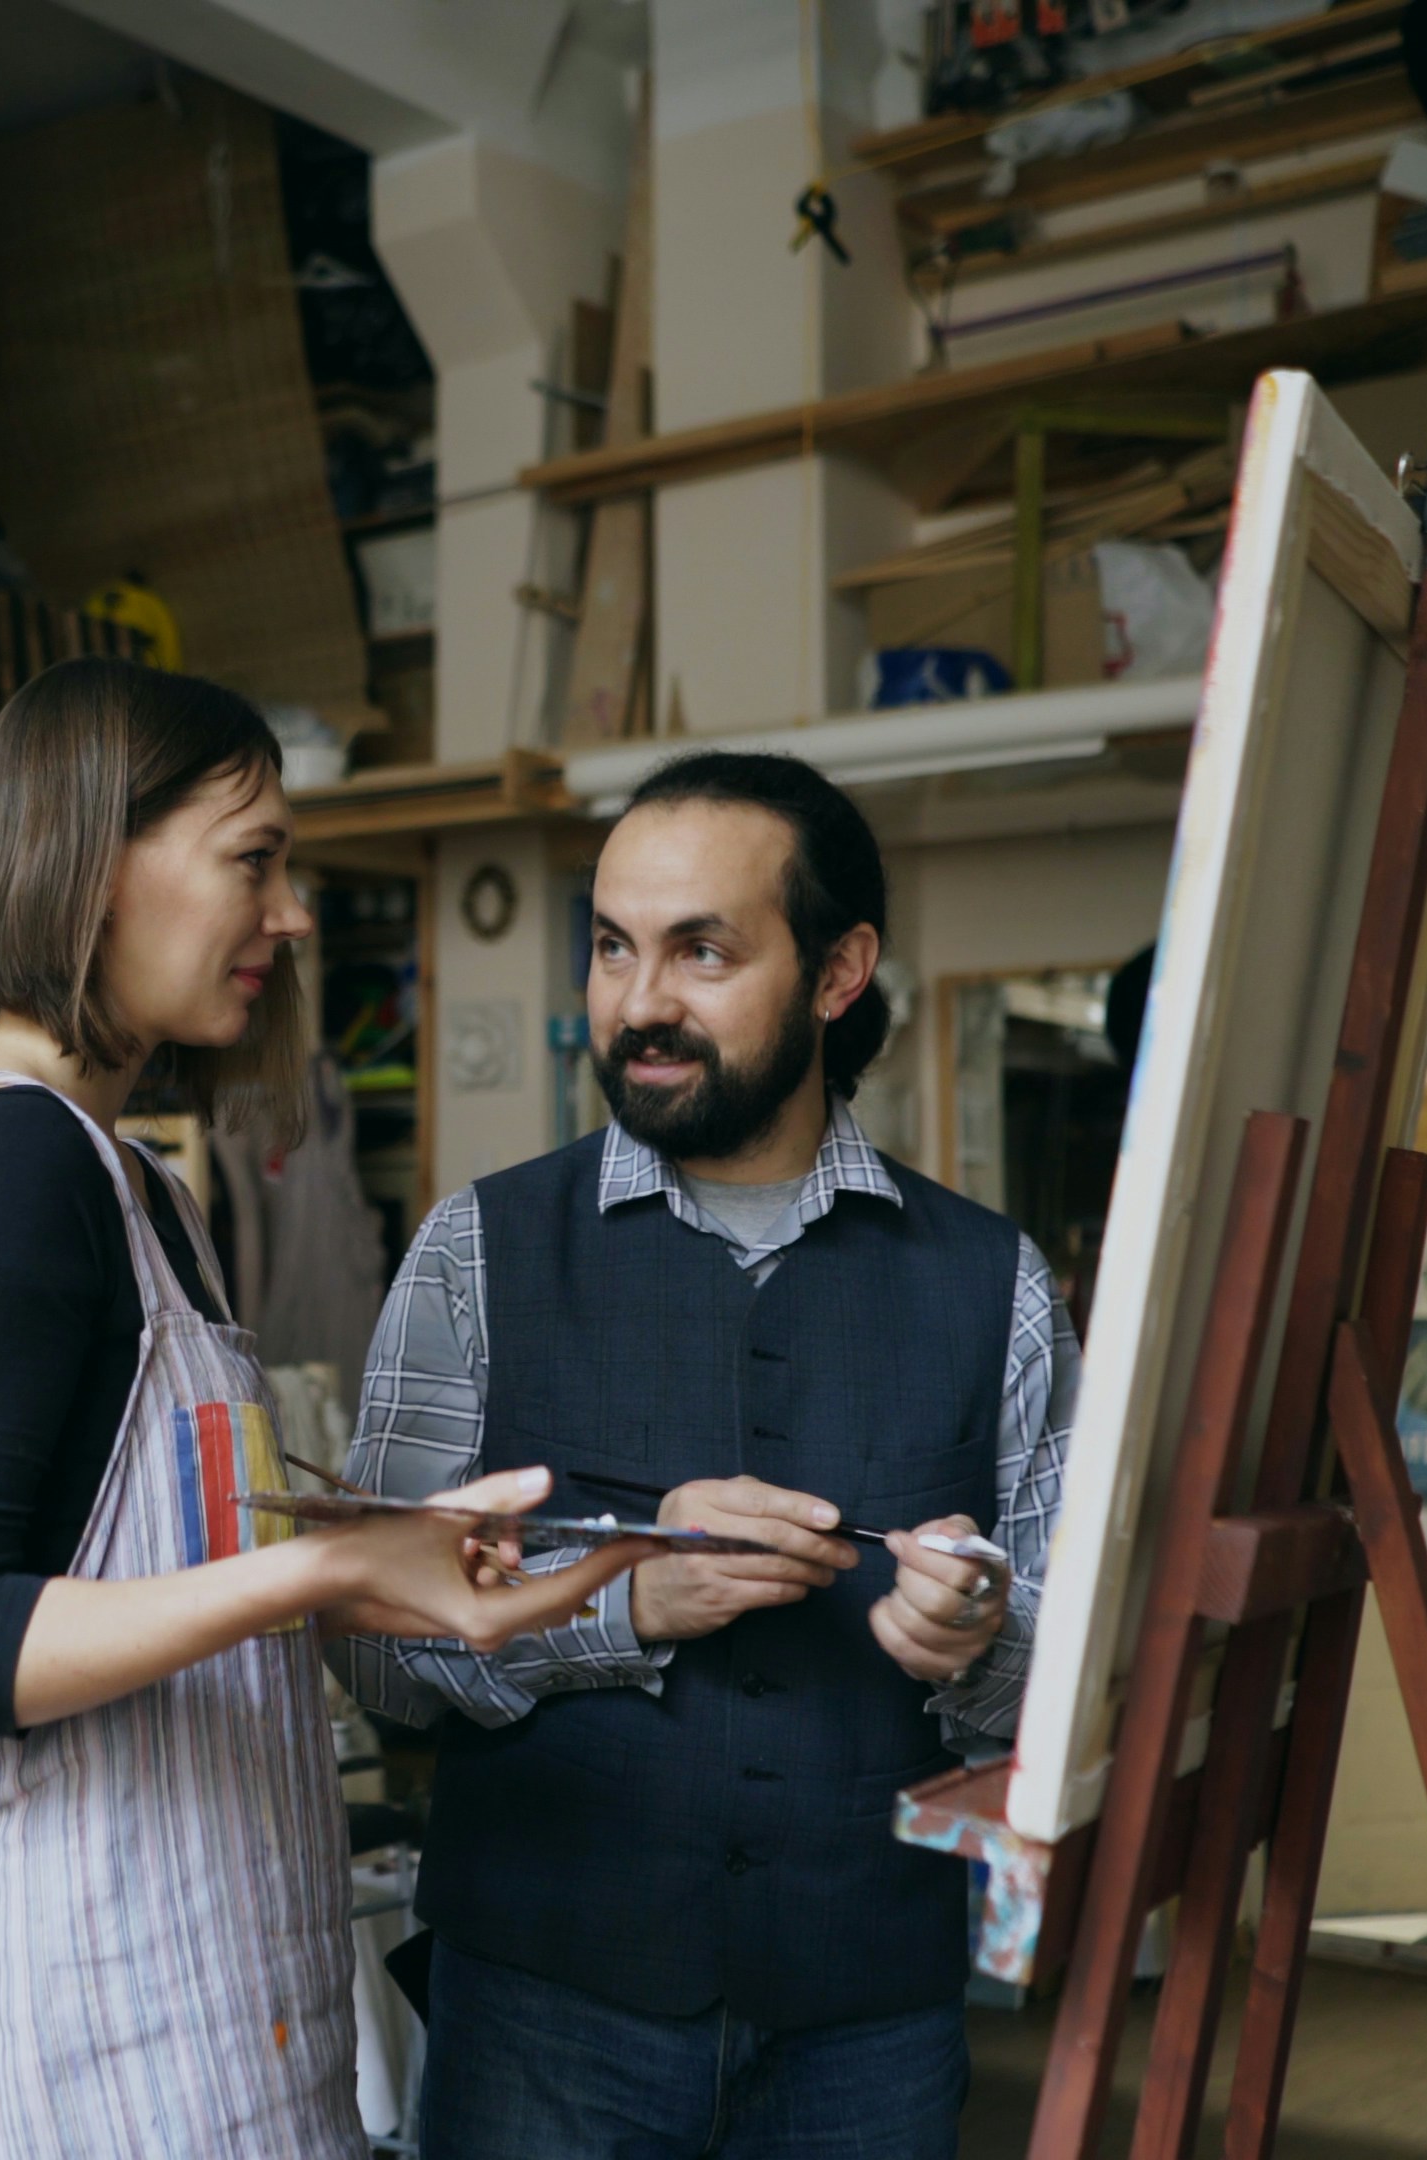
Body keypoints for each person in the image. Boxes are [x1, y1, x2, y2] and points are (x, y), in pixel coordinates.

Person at [0, 656, 651, 2156]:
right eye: (254, 860)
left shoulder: (138, 1190)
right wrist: (325, 1568)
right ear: (91, 863)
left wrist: (397, 1569)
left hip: (208, 2012)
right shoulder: (2, 1165)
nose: (293, 914)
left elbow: (138, 1564)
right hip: (85, 2041)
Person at [334, 750, 1080, 2160]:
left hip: (869, 2024)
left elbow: (1080, 1686)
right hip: (544, 2015)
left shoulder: (998, 1286)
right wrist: (615, 1604)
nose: (640, 1003)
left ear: (841, 970)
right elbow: (370, 1647)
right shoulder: (473, 1253)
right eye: (613, 947)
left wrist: (977, 1641)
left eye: (703, 951)